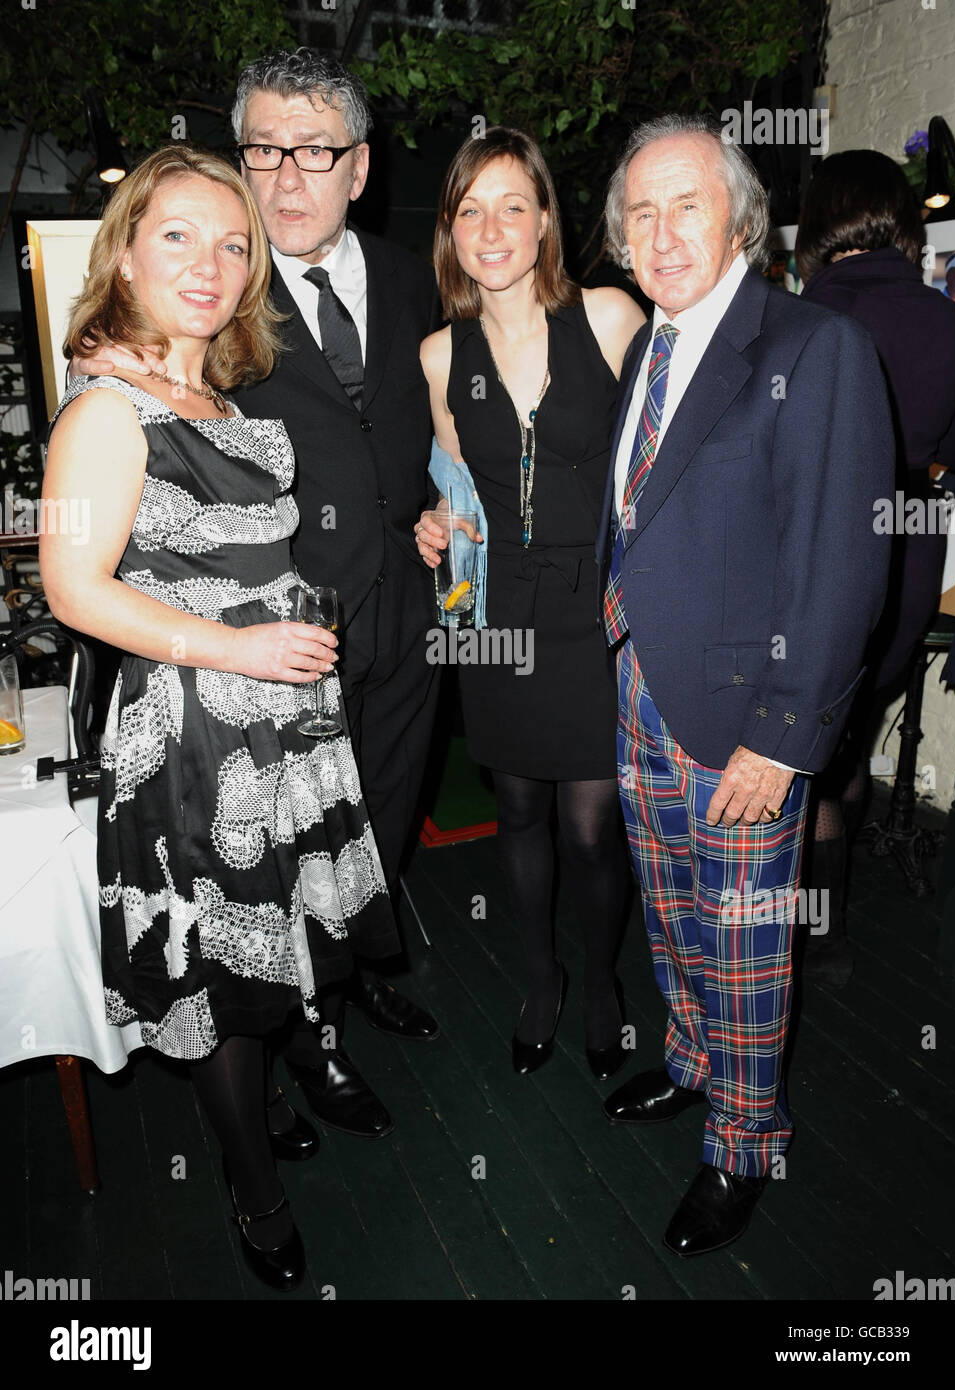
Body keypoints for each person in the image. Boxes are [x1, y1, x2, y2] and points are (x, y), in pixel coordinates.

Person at [41, 145, 401, 1290]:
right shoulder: (105, 408)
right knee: (224, 984)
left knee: (282, 937)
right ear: (127, 254)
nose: (211, 262)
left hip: (281, 722)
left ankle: (281, 1098)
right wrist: (237, 643)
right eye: (179, 236)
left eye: (233, 242)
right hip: (195, 741)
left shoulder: (217, 394)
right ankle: (248, 1179)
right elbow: (72, 587)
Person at [73, 47, 441, 1143]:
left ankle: (352, 981)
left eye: (317, 152)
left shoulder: (414, 277)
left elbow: (440, 416)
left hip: (402, 619)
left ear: (359, 167)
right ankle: (292, 1050)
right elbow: (114, 507)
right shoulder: (217, 299)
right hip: (250, 661)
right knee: (259, 869)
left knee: (364, 829)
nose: (289, 178)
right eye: (266, 151)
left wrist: (441, 504)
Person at [597, 114, 894, 1257]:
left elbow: (839, 560)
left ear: (742, 222)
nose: (663, 233)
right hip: (640, 689)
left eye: (687, 206)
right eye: (641, 213)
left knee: (745, 938)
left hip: (744, 719)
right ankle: (691, 1063)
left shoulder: (813, 348)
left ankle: (741, 1139)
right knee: (672, 916)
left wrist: (785, 738)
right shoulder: (646, 349)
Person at [415, 127, 646, 1077]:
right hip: (497, 612)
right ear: (451, 234)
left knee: (592, 826)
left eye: (513, 204)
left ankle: (601, 979)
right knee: (516, 810)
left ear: (546, 219)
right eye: (469, 210)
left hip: (593, 609)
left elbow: (661, 464)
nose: (491, 226)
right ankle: (539, 976)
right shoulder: (439, 355)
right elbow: (456, 485)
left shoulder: (608, 316)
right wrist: (437, 524)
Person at [795, 150, 955, 987]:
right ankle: (830, 929)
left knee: (810, 750)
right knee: (851, 742)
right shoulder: (944, 317)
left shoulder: (802, 317)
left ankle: (813, 935)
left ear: (823, 218)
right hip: (910, 557)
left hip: (822, 559)